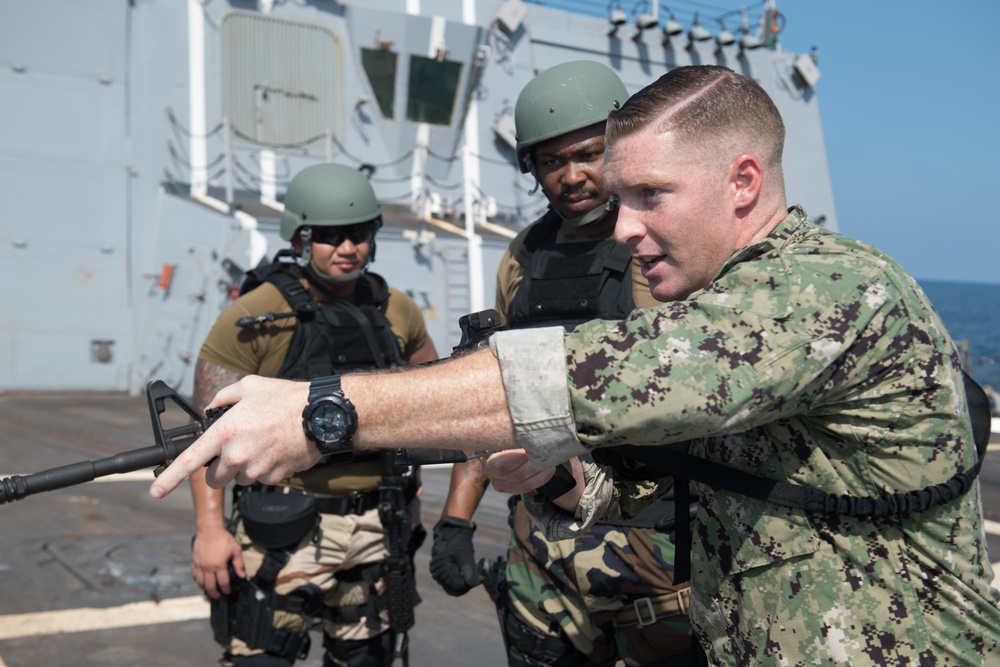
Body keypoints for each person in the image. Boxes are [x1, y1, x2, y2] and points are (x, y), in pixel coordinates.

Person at [154, 66, 1000, 666]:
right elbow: (715, 474)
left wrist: (318, 412)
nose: (623, 226)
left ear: (743, 180)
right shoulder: (714, 290)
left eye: (651, 196)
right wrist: (563, 481)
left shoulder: (823, 288)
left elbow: (582, 374)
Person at [428, 60, 691, 667]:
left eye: (589, 154)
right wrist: (455, 521)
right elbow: (490, 397)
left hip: (660, 554)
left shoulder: (670, 243)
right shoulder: (524, 256)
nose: (571, 176)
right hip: (542, 556)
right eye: (551, 161)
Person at [187, 163, 439, 667]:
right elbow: (205, 435)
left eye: (359, 234)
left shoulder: (399, 312)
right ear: (300, 238)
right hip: (282, 526)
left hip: (376, 526)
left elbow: (437, 396)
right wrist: (210, 529)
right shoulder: (253, 315)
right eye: (329, 236)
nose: (347, 248)